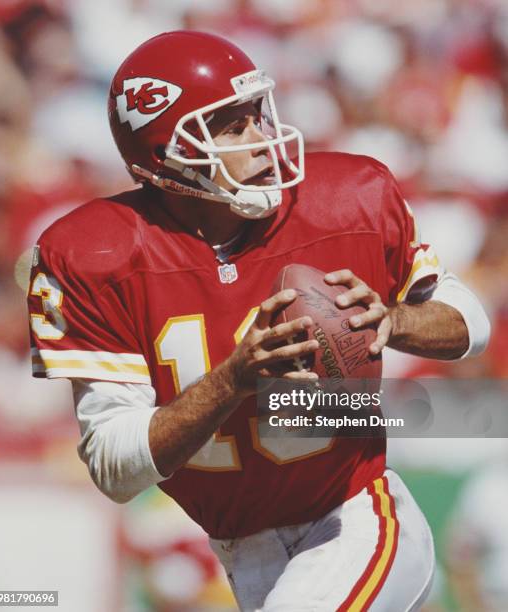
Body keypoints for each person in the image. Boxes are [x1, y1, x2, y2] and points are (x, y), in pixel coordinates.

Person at [27, 31, 490, 611]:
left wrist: (395, 320)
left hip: (356, 519)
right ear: (166, 153)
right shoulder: (95, 255)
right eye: (231, 125)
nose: (263, 138)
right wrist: (234, 379)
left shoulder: (346, 199)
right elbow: (115, 469)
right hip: (242, 552)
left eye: (258, 114)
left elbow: (472, 323)